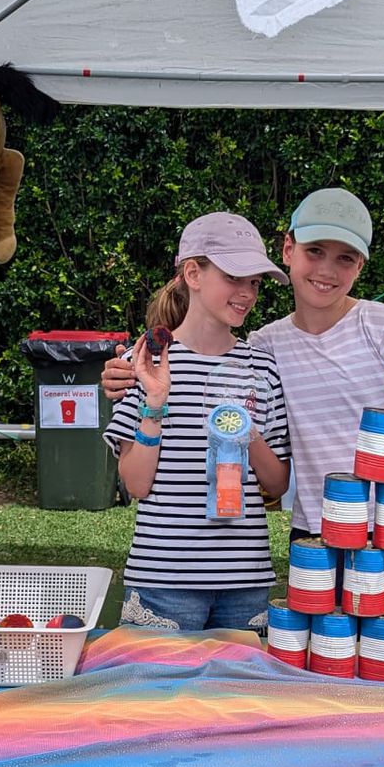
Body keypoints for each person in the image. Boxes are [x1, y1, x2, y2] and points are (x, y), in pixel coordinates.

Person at [103, 188, 384, 544]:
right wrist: (125, 374)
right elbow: (204, 361)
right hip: (318, 524)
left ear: (360, 266)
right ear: (288, 250)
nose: (327, 269)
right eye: (315, 251)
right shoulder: (265, 345)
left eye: (346, 258)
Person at [103, 212, 291, 633]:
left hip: (246, 582)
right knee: (158, 680)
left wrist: (245, 429)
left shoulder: (263, 368)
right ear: (193, 274)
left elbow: (277, 483)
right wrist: (155, 402)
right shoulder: (143, 363)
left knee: (239, 681)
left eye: (254, 283)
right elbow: (136, 484)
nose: (247, 293)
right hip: (162, 580)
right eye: (234, 277)